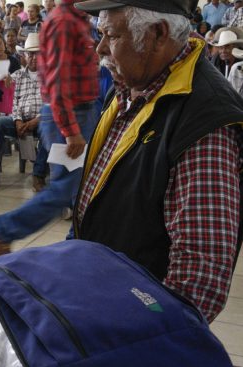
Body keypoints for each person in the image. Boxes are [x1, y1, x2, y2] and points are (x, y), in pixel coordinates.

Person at [73, 0, 243, 323]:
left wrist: (125, 339)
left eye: (111, 35)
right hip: (98, 302)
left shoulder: (205, 121)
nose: (99, 49)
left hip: (132, 332)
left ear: (158, 34)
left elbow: (197, 285)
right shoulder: (132, 85)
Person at [0, 0, 99, 254]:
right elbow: (57, 84)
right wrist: (71, 132)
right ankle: (4, 229)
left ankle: (77, 242)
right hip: (70, 116)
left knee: (77, 187)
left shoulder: (79, 18)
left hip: (80, 112)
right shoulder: (64, 22)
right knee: (64, 189)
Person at [0, 33, 48, 193]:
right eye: (30, 54)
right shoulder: (18, 75)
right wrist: (18, 120)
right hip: (19, 120)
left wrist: (37, 120)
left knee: (51, 129)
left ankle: (38, 175)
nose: (34, 58)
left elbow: (53, 104)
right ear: (24, 56)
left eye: (38, 54)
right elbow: (12, 100)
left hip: (43, 121)